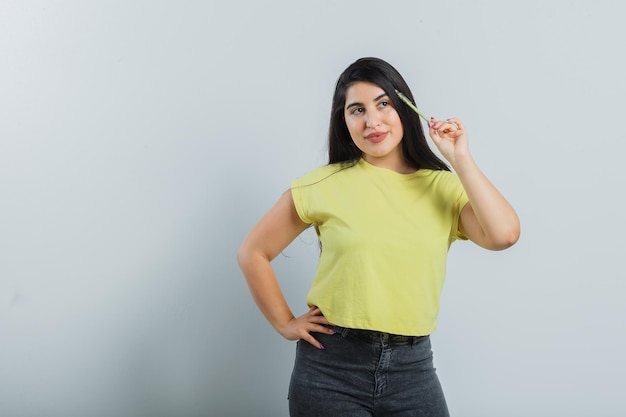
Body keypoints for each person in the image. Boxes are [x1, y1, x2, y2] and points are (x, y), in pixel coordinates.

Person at [237, 57, 520, 417]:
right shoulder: (322, 185)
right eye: (357, 110)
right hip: (330, 370)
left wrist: (459, 158)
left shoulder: (443, 187)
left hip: (413, 370)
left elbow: (505, 235)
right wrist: (285, 323)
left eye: (383, 103)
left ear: (405, 108)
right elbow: (253, 252)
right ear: (344, 121)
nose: (372, 121)